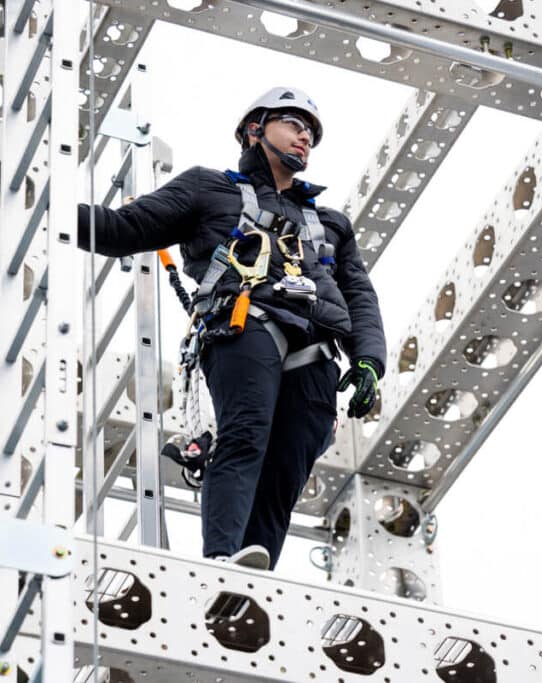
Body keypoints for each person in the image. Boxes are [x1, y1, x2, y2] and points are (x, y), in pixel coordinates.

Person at [76, 87, 386, 570]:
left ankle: (252, 577)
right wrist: (36, 199)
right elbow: (121, 229)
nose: (305, 136)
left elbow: (359, 295)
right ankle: (220, 558)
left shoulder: (330, 225)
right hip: (247, 324)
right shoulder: (209, 190)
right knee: (246, 436)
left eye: (312, 132)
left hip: (317, 351)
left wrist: (369, 359)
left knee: (287, 470)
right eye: (293, 123)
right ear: (255, 129)